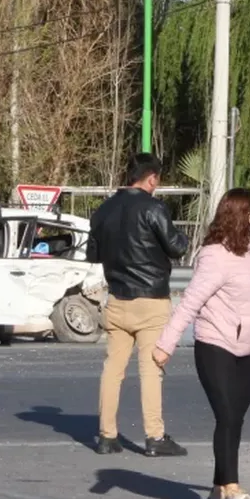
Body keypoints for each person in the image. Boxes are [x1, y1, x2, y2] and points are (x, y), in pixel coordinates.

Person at [153, 188, 250, 499]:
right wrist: (166, 344)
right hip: (216, 345)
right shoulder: (213, 256)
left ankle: (216, 491)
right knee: (228, 415)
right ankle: (232, 488)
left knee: (235, 418)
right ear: (245, 215)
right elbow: (189, 303)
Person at [86, 153, 190, 457]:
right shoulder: (154, 208)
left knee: (113, 369)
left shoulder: (103, 210)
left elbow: (93, 255)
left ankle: (107, 436)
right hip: (151, 299)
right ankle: (155, 437)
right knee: (151, 369)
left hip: (117, 298)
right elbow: (177, 246)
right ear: (152, 178)